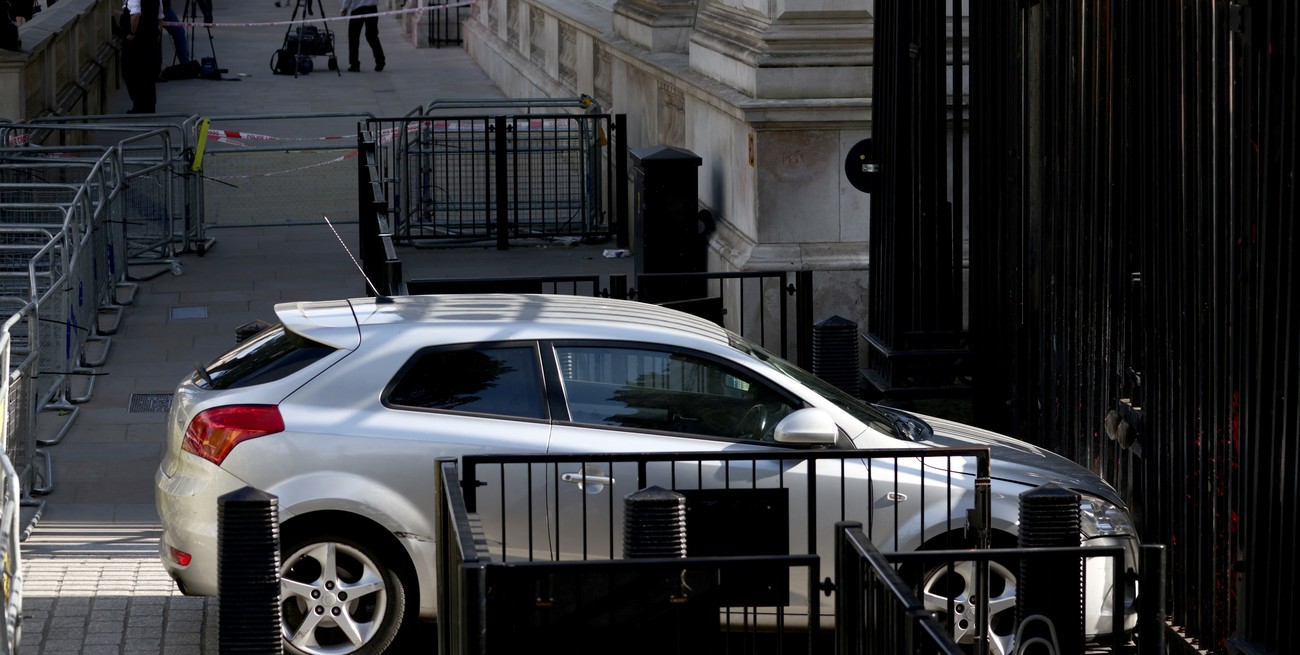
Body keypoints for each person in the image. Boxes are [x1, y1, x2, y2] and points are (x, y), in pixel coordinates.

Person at [121, 0, 162, 113]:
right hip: (151, 39)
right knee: (148, 74)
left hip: (138, 41)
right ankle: (149, 106)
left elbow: (135, 14)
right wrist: (157, 36)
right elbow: (160, 18)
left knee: (132, 72)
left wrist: (132, 33)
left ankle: (139, 106)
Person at [340, 0, 383, 72]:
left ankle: (354, 64)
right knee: (372, 35)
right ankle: (380, 59)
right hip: (372, 8)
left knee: (353, 36)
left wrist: (344, 8)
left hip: (358, 8)